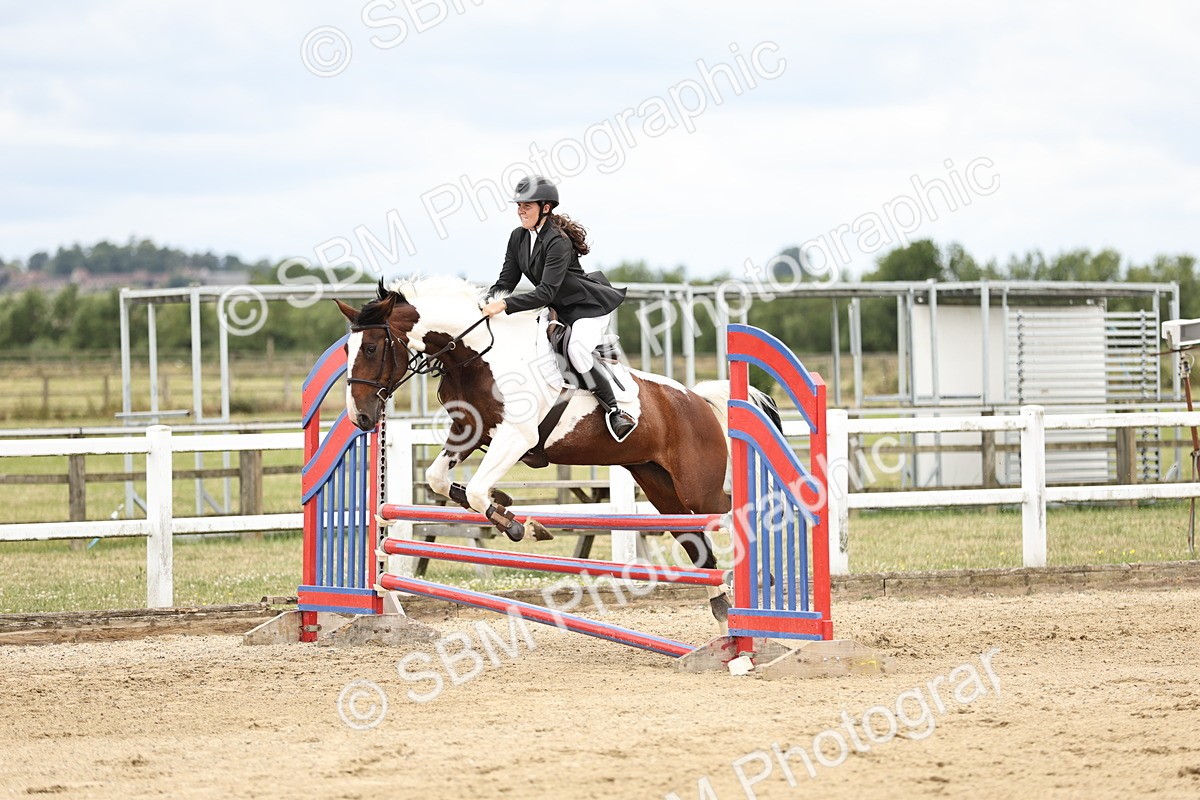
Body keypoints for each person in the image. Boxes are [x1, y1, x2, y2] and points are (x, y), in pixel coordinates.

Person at [481, 176, 637, 442]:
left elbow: (545, 292)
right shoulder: (518, 237)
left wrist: (505, 304)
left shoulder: (558, 241)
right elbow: (507, 281)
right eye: (518, 205)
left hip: (587, 307)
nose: (520, 210)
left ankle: (614, 410)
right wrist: (485, 302)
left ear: (545, 207)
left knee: (575, 350)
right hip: (559, 309)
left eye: (527, 205)